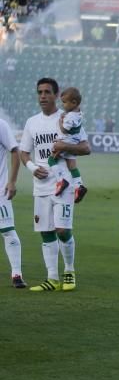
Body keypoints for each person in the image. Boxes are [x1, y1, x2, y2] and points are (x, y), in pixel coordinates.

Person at [20, 78, 91, 292]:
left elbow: (86, 148)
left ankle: (69, 271)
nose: (42, 96)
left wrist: (61, 145)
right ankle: (51, 278)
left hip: (63, 183)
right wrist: (33, 168)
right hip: (40, 185)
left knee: (62, 229)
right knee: (46, 232)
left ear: (56, 95)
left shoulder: (66, 118)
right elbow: (24, 152)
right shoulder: (31, 122)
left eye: (47, 92)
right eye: (39, 92)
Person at [47, 86, 87, 203]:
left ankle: (61, 180)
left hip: (65, 141)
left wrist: (60, 121)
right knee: (72, 166)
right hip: (74, 142)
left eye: (64, 102)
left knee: (51, 160)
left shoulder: (69, 116)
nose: (62, 105)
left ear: (74, 102)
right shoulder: (79, 113)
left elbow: (64, 130)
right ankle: (79, 186)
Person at [0, 116, 25, 288]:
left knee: (8, 231)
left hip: (0, 191)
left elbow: (15, 151)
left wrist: (12, 181)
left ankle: (16, 274)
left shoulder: (1, 124)